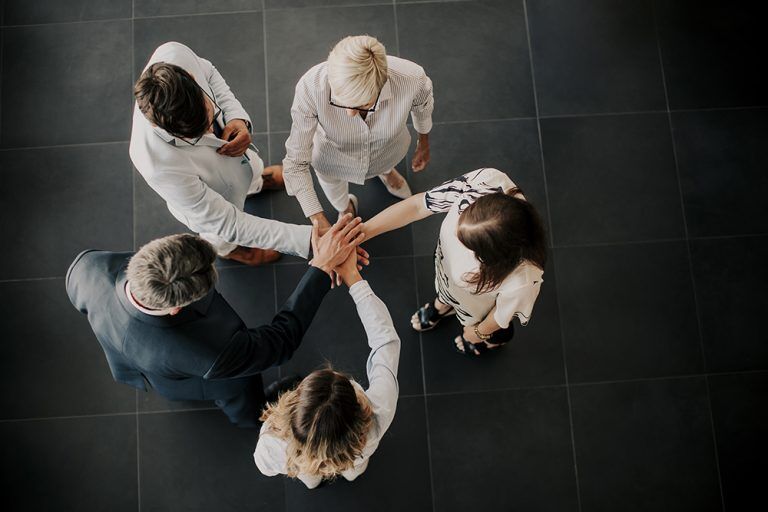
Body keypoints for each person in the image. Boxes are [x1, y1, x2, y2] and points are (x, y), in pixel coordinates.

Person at [65, 215, 365, 427]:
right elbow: (278, 343)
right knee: (240, 393)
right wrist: (321, 268)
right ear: (176, 309)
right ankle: (255, 415)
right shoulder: (211, 352)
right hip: (194, 378)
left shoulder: (86, 268)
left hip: (127, 359)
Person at [130, 41, 308, 266]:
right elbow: (227, 223)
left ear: (192, 79)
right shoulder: (155, 164)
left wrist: (236, 118)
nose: (210, 131)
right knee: (219, 235)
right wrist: (306, 239)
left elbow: (210, 72)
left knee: (251, 171)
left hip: (240, 162)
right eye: (196, 134)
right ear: (159, 127)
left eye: (208, 116)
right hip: (210, 201)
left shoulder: (175, 54)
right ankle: (231, 251)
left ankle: (258, 182)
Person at [253, 246, 400, 487]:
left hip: (301, 463)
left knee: (308, 477)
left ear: (295, 401)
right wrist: (353, 277)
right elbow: (386, 342)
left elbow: (264, 466)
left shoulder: (274, 440)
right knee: (355, 468)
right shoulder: (380, 410)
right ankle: (352, 472)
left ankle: (312, 480)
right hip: (357, 454)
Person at [362, 168, 547, 355]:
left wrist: (477, 333)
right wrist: (360, 234)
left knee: (497, 332)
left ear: (493, 257)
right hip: (448, 280)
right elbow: (419, 206)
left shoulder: (523, 278)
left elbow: (501, 314)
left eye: (467, 243)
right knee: (446, 291)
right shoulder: (486, 183)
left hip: (478, 307)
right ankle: (443, 305)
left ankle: (494, 341)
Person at [283, 35, 434, 230]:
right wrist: (318, 221)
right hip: (331, 157)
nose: (350, 113)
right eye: (340, 101)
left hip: (386, 150)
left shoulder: (413, 79)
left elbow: (423, 110)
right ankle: (344, 207)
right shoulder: (311, 86)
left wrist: (424, 144)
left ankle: (387, 172)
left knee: (385, 162)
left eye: (363, 104)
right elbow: (295, 163)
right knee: (333, 186)